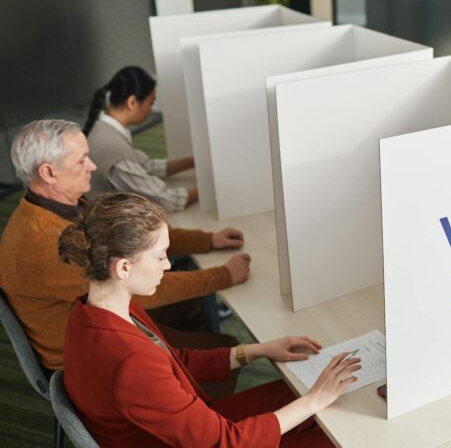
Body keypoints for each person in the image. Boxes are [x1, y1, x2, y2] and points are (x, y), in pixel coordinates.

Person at [60, 192, 359, 447]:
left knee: (310, 396)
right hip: (205, 440)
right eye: (161, 255)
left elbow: (174, 363)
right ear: (124, 267)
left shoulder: (91, 312)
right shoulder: (130, 360)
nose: (167, 265)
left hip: (188, 425)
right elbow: (226, 442)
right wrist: (314, 401)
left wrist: (257, 350)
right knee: (339, 436)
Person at [0, 120, 248, 378]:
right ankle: (189, 403)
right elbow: (136, 285)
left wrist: (207, 240)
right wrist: (223, 276)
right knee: (225, 349)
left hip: (103, 318)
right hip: (87, 357)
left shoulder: (61, 206)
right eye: (82, 160)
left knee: (193, 308)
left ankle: (185, 378)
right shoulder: (44, 243)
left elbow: (135, 236)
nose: (92, 167)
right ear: (49, 172)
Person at [83, 66, 197, 211]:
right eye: (151, 103)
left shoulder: (103, 130)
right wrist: (209, 189)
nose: (151, 110)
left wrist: (191, 162)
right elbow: (167, 200)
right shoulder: (111, 147)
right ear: (132, 103)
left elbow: (146, 165)